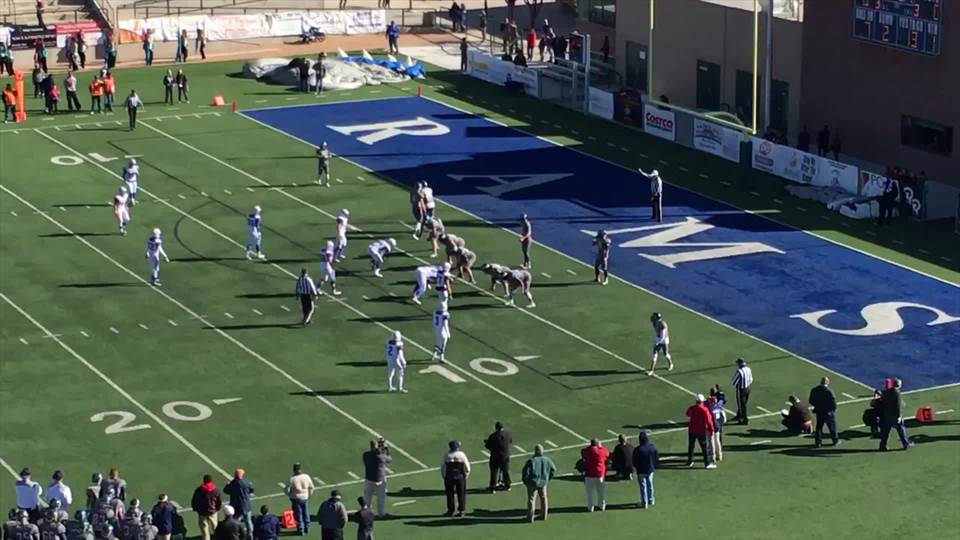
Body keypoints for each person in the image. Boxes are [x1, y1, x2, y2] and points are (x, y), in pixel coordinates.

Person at [520, 444, 555, 522]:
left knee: (531, 499)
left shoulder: (532, 461)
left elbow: (525, 472)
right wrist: (547, 479)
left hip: (532, 483)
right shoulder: (547, 460)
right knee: (544, 498)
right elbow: (553, 470)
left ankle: (530, 517)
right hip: (543, 482)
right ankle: (544, 515)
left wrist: (526, 482)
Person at [879, 378, 913, 451]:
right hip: (895, 415)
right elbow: (898, 406)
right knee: (901, 430)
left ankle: (883, 445)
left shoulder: (886, 392)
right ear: (899, 385)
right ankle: (906, 444)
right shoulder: (897, 393)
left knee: (886, 431)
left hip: (887, 414)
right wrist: (899, 416)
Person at [362, 439, 392, 517]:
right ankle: (381, 513)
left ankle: (366, 512)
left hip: (369, 479)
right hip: (380, 480)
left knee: (367, 496)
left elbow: (373, 454)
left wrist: (380, 449)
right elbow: (389, 459)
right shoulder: (381, 456)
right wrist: (385, 448)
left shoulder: (366, 455)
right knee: (381, 497)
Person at [440, 441, 470, 517]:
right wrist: (466, 475)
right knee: (461, 494)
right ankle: (461, 511)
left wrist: (444, 476)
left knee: (450, 494)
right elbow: (467, 468)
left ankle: (450, 510)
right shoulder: (461, 455)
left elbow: (443, 467)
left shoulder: (447, 455)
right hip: (460, 476)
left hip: (449, 476)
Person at [808, 377, 840, 448]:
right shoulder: (829, 391)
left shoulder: (814, 390)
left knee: (819, 427)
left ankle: (818, 442)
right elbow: (833, 404)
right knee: (832, 427)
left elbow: (811, 400)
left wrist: (817, 406)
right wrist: (831, 411)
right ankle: (835, 440)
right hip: (828, 412)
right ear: (827, 382)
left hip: (819, 411)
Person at [686, 394, 716, 468]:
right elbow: (709, 421)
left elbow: (687, 413)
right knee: (704, 448)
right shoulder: (704, 409)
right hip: (701, 431)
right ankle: (707, 463)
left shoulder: (692, 408)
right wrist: (711, 429)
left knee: (691, 446)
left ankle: (690, 461)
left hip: (691, 430)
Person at [223, 469, 254, 538]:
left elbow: (225, 490)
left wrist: (227, 485)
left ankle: (236, 534)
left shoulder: (233, 483)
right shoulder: (246, 483)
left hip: (236, 506)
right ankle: (250, 536)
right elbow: (251, 489)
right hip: (246, 505)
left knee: (236, 522)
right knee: (248, 522)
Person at [580, 439, 609, 512]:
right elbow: (607, 453)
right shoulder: (601, 451)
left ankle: (591, 507)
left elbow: (583, 451)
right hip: (599, 474)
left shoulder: (587, 451)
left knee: (589, 492)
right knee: (601, 491)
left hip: (589, 474)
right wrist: (601, 447)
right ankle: (602, 506)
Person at [286, 463, 315, 535]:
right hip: (305, 497)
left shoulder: (292, 479)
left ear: (294, 470)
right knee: (306, 513)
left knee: (298, 514)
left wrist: (290, 495)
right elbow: (312, 487)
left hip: (296, 498)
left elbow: (286, 489)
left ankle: (301, 529)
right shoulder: (306, 477)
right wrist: (309, 495)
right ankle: (307, 528)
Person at [632, 432, 658, 509]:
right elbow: (656, 457)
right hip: (650, 469)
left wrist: (636, 467)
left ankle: (644, 503)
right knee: (650, 484)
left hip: (641, 471)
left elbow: (634, 460)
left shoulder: (638, 449)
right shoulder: (652, 447)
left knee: (643, 487)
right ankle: (651, 500)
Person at [483, 422, 512, 492]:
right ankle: (508, 485)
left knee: (494, 472)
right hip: (505, 456)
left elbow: (488, 446)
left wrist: (487, 443)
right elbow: (510, 442)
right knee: (506, 471)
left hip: (495, 457)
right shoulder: (508, 434)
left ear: (496, 428)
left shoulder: (493, 436)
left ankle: (493, 487)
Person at [190, 475, 221, 540]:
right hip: (213, 511)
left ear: (204, 481)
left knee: (205, 531)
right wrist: (217, 508)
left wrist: (195, 508)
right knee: (216, 528)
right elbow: (218, 501)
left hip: (202, 512)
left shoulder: (199, 489)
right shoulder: (216, 489)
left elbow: (195, 500)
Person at [731, 358, 753, 425]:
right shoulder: (749, 369)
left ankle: (744, 419)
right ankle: (739, 415)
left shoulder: (739, 371)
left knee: (742, 404)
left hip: (741, 389)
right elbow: (751, 379)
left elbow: (734, 382)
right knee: (744, 403)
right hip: (748, 388)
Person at [708, 385, 726, 462]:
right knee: (718, 440)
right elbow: (722, 397)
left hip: (712, 424)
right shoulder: (719, 404)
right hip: (718, 423)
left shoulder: (709, 405)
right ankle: (719, 454)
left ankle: (713, 455)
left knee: (711, 440)